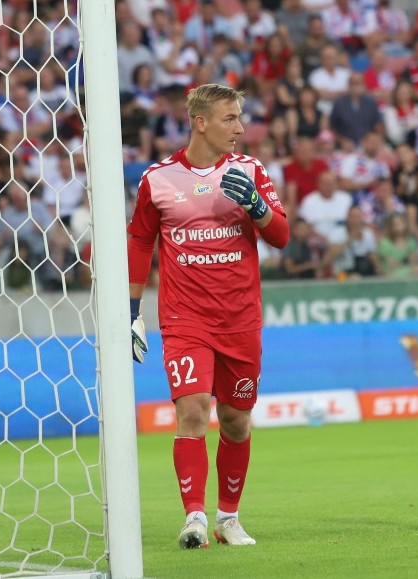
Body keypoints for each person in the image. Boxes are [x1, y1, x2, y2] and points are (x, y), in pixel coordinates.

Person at [127, 84, 290, 549]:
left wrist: (257, 207)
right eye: (230, 118)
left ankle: (227, 518)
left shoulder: (250, 171)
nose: (240, 128)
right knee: (193, 409)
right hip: (184, 318)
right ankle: (194, 517)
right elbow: (140, 241)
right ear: (201, 122)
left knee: (237, 420)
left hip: (240, 318)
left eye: (240, 118)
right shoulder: (157, 178)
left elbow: (280, 235)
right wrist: (132, 310)